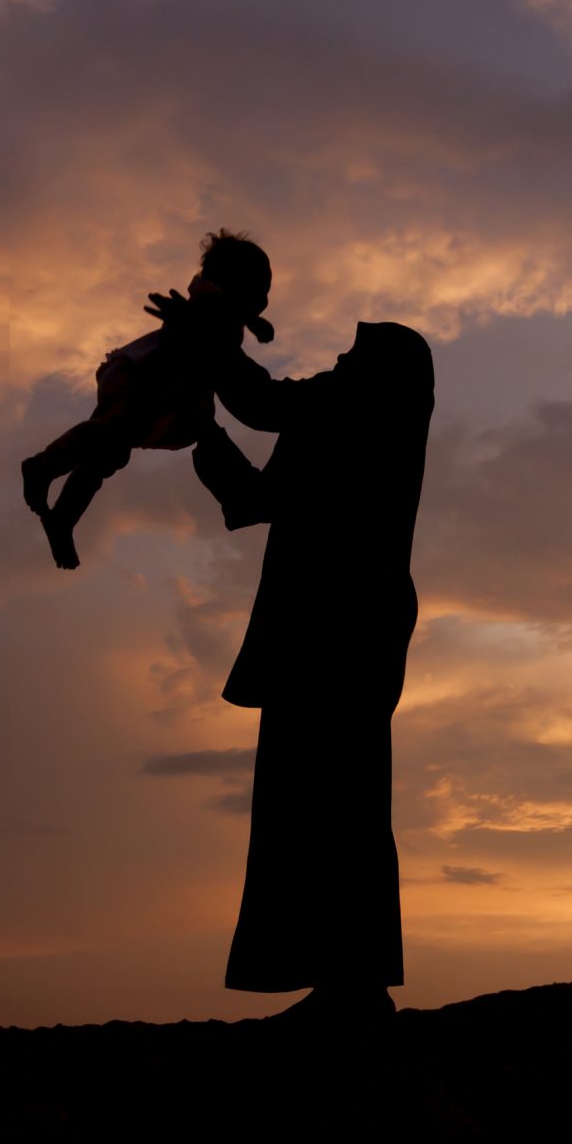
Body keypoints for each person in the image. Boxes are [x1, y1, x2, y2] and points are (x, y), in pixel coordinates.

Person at [160, 296, 434, 1024]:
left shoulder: (365, 414)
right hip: (318, 628)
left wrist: (208, 340)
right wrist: (205, 434)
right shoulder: (337, 421)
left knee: (340, 798)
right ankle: (341, 981)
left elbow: (261, 400)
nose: (334, 367)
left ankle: (356, 984)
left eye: (348, 360)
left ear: (381, 377)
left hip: (346, 626)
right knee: (308, 800)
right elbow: (255, 499)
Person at [22, 231, 277, 570]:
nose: (263, 300)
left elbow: (232, 319)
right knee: (109, 433)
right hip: (147, 381)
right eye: (260, 289)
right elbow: (206, 323)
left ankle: (64, 518)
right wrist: (250, 322)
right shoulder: (210, 301)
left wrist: (256, 323)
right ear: (233, 282)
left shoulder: (226, 307)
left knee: (106, 455)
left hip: (171, 395)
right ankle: (44, 465)